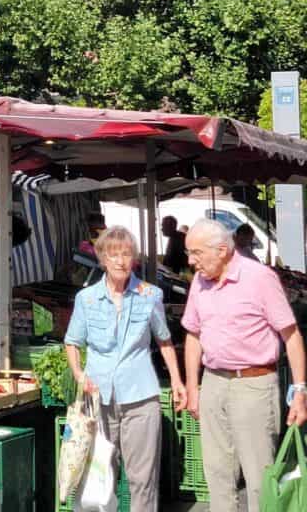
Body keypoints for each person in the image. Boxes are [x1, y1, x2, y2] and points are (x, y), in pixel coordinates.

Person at [182, 218, 307, 512]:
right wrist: (192, 385)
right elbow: (192, 335)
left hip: (254, 385)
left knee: (258, 476)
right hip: (213, 382)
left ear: (222, 250)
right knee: (217, 472)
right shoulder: (200, 282)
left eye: (196, 253)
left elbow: (291, 336)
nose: (190, 261)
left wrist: (300, 390)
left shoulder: (259, 278)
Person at [65, 226, 187, 512]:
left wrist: (178, 382)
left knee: (142, 477)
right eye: (113, 255)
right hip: (98, 399)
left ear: (134, 259)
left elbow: (165, 341)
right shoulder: (87, 299)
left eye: (126, 254)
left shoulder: (150, 295)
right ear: (103, 259)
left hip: (140, 396)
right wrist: (79, 374)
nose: (120, 261)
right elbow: (71, 342)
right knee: (97, 473)